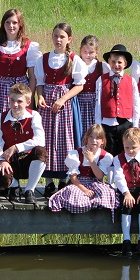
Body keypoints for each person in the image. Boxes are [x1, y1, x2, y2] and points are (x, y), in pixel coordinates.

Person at [35, 22, 87, 197]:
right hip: (47, 104)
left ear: (69, 39)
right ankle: (48, 181)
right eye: (56, 36)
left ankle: (63, 180)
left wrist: (63, 99)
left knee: (64, 139)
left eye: (62, 37)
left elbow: (79, 85)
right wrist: (40, 96)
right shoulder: (43, 59)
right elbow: (40, 83)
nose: (58, 40)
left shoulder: (74, 59)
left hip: (65, 104)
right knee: (46, 139)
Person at [0, 9, 41, 130]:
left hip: (21, 89)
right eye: (7, 22)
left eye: (14, 22)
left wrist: (28, 99)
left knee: (20, 125)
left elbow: (32, 76)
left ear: (20, 24)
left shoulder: (28, 46)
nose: (11, 26)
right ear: (3, 24)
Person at [0, 83, 48, 204]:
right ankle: (14, 186)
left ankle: (29, 190)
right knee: (2, 176)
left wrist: (16, 147)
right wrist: (2, 161)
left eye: (19, 101)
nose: (15, 105)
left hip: (28, 159)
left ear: (28, 102)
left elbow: (40, 140)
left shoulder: (34, 116)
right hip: (10, 161)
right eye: (12, 100)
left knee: (41, 152)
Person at [48, 124, 117, 215]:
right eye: (91, 137)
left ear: (103, 141)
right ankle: (88, 204)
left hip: (95, 182)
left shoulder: (105, 156)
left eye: (97, 138)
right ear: (87, 138)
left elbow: (99, 176)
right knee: (73, 194)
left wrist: (91, 160)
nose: (94, 141)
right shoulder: (76, 153)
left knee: (105, 192)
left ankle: (97, 205)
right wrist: (85, 190)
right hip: (78, 183)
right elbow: (73, 178)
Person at [111, 127, 140, 257]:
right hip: (126, 190)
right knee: (127, 205)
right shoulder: (118, 159)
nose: (130, 151)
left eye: (133, 147)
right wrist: (126, 193)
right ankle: (126, 240)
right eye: (127, 147)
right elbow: (119, 177)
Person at [95, 44, 139, 157]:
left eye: (119, 62)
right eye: (113, 62)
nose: (116, 65)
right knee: (108, 153)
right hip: (107, 123)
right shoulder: (101, 79)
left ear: (125, 64)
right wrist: (98, 124)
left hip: (125, 123)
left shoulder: (131, 81)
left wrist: (135, 124)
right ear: (109, 62)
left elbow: (136, 104)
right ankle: (110, 174)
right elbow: (98, 103)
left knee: (124, 153)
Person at [77, 35, 106, 137]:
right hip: (79, 102)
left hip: (95, 104)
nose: (88, 55)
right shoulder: (76, 63)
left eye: (91, 52)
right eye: (85, 52)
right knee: (79, 129)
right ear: (80, 50)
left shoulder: (101, 66)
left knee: (93, 130)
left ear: (96, 52)